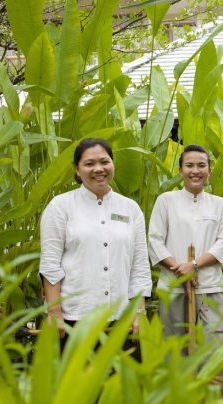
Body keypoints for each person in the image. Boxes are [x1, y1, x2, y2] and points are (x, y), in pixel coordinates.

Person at [39, 138, 152, 353]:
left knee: (121, 386)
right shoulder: (61, 206)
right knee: (78, 386)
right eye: (89, 164)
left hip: (122, 321)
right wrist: (54, 312)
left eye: (104, 161)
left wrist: (139, 312)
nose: (98, 169)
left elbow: (139, 265)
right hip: (75, 320)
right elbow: (50, 264)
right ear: (77, 170)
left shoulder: (131, 209)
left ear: (113, 164)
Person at [147, 144, 223, 377]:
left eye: (201, 165)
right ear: (180, 170)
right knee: (173, 346)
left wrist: (194, 265)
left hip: (210, 286)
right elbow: (155, 240)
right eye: (189, 165)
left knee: (215, 346)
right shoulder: (166, 201)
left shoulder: (219, 205)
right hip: (173, 285)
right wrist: (179, 269)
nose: (195, 171)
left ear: (209, 170)